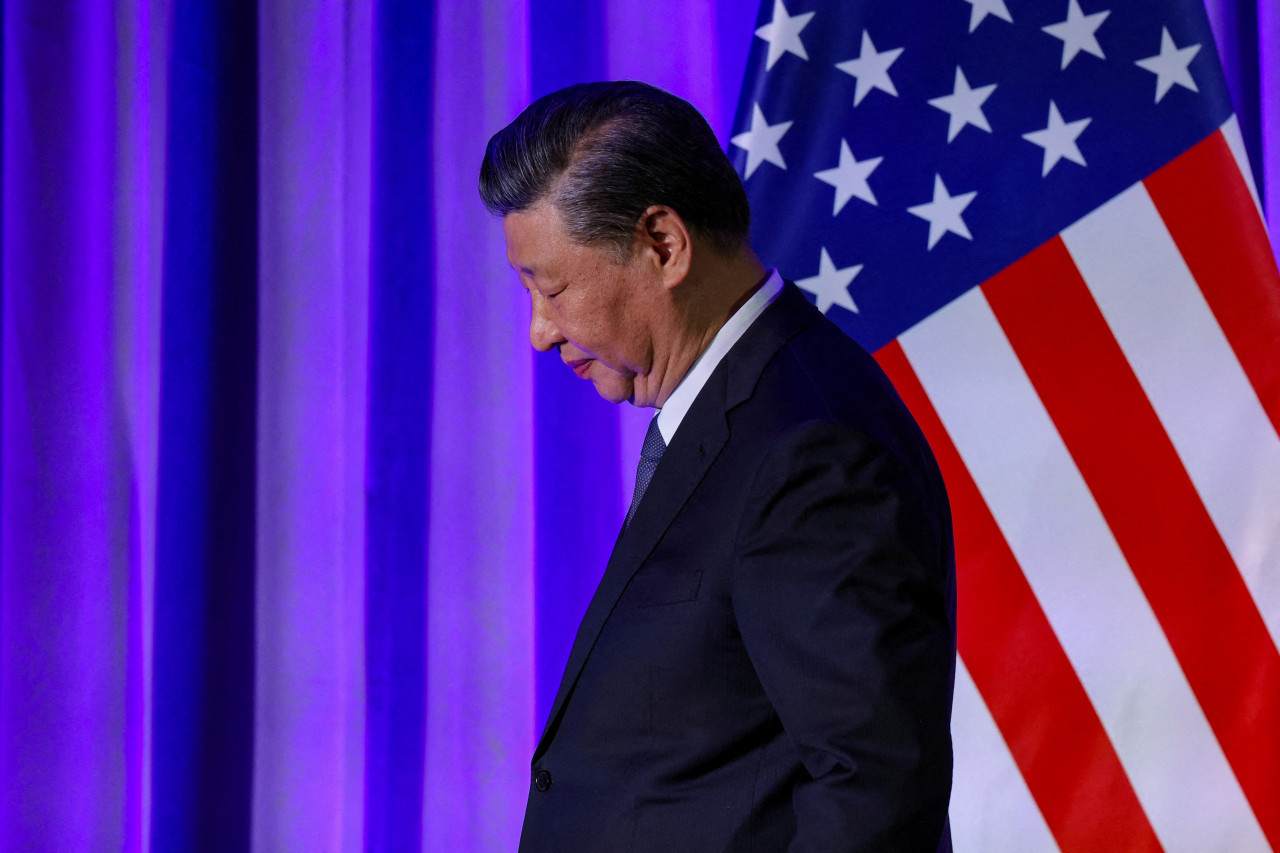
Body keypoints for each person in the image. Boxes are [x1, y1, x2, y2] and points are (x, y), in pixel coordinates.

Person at [480, 81, 956, 852]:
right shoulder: (736, 413)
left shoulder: (812, 446)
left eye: (553, 288)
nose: (540, 332)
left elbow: (873, 786)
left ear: (663, 244)